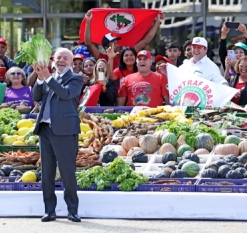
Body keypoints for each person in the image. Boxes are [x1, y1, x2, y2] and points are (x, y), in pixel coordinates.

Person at [32, 47, 82, 223]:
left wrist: (47, 78)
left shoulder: (76, 78)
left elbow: (65, 94)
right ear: (53, 60)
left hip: (64, 131)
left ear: (71, 62)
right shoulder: (47, 77)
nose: (61, 61)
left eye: (65, 59)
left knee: (68, 173)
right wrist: (39, 78)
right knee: (47, 173)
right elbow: (36, 96)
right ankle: (49, 210)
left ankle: (73, 210)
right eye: (58, 58)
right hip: (45, 130)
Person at [84, 10, 164, 69]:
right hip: (109, 90)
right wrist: (88, 21)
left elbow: (145, 41)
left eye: (116, 42)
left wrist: (157, 22)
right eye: (114, 44)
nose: (117, 45)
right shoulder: (101, 58)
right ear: (106, 48)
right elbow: (88, 43)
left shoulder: (126, 55)